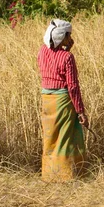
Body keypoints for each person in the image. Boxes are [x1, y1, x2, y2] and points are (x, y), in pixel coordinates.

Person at [37, 19, 89, 182]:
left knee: (50, 138)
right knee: (65, 138)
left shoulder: (41, 52)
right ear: (63, 37)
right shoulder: (68, 58)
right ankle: (65, 176)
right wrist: (80, 111)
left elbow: (53, 59)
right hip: (62, 101)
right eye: (69, 36)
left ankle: (49, 175)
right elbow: (73, 86)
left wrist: (66, 48)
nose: (71, 39)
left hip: (47, 100)